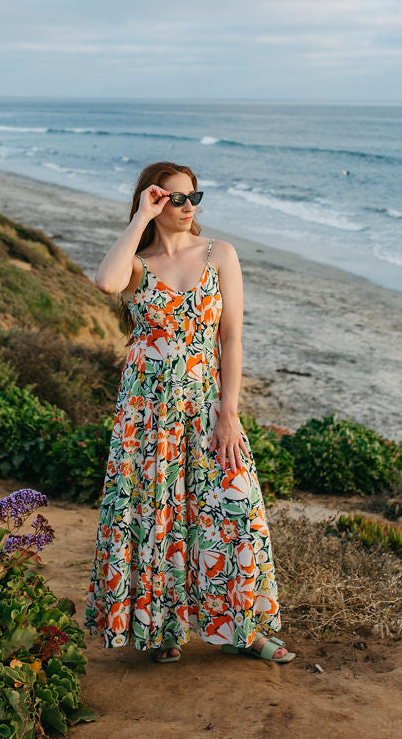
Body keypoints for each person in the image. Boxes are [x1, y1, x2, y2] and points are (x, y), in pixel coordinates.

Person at [83, 161, 295, 665]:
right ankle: (164, 630)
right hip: (146, 412)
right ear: (153, 201)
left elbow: (232, 338)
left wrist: (230, 412)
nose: (186, 207)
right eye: (173, 198)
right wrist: (139, 220)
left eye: (193, 197)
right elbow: (106, 282)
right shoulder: (140, 262)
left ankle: (248, 629)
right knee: (157, 516)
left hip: (205, 405)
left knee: (235, 509)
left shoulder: (220, 254)